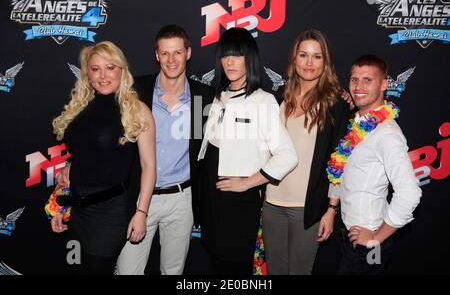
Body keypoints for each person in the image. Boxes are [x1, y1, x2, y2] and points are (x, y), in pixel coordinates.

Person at [197, 27, 298, 275]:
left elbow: (288, 156)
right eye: (225, 55)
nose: (229, 62)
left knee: (236, 266)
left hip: (238, 203)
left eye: (237, 55)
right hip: (211, 197)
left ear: (249, 59)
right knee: (216, 262)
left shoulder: (263, 100)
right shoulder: (218, 96)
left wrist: (248, 183)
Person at [115, 24, 214, 275]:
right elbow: (105, 132)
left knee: (173, 271)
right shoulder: (136, 92)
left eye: (177, 52)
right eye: (165, 53)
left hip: (182, 200)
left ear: (188, 53)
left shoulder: (204, 97)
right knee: (128, 271)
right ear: (156, 55)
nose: (171, 60)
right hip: (139, 198)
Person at [51, 41, 156, 275]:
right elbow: (81, 157)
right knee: (75, 269)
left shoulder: (137, 110)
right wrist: (61, 207)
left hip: (110, 213)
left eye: (110, 67)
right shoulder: (79, 107)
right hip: (76, 210)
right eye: (95, 68)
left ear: (122, 70)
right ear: (87, 73)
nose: (103, 75)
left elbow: (149, 166)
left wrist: (141, 212)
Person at [262, 28, 351, 275]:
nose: (309, 63)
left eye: (317, 56)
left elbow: (339, 162)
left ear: (326, 62)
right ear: (294, 58)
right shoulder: (280, 96)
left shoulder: (336, 104)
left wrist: (332, 210)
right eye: (303, 55)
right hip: (272, 203)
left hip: (308, 208)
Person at [327, 54, 422, 274]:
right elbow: (343, 174)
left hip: (368, 246)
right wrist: (331, 211)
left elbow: (409, 193)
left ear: (384, 85)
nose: (358, 86)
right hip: (351, 239)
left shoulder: (387, 133)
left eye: (367, 80)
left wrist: (376, 238)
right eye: (354, 79)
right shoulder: (359, 127)